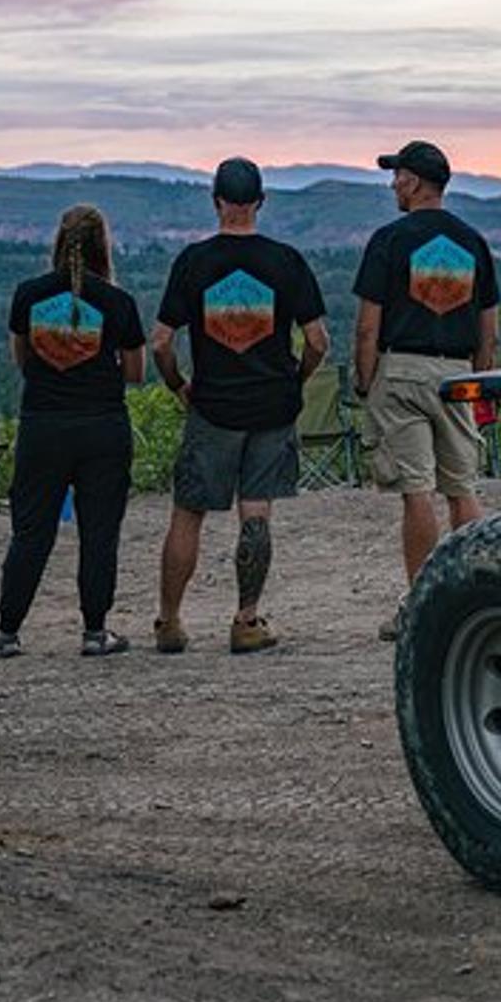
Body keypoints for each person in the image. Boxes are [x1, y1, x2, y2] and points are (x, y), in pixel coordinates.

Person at [152, 157, 329, 654]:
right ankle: (246, 621)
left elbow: (161, 342)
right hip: (272, 405)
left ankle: (170, 622)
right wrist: (295, 379)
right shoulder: (286, 261)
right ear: (261, 203)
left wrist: (178, 386)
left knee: (188, 513)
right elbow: (318, 340)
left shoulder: (193, 262)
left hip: (213, 405)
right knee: (256, 514)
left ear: (215, 202)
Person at [0, 204, 145, 660]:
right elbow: (135, 372)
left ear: (58, 243)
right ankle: (95, 632)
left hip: (43, 426)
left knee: (31, 532)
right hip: (103, 427)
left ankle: (6, 632)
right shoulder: (118, 303)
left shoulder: (28, 296)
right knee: (99, 533)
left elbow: (23, 360)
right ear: (102, 247)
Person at [352, 140, 499, 640]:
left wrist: (365, 379)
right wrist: (477, 378)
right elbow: (489, 327)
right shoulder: (473, 241)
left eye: (397, 176)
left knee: (417, 490)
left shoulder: (389, 240)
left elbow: (368, 326)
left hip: (402, 370)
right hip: (458, 373)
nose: (393, 184)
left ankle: (420, 605)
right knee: (462, 487)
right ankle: (477, 595)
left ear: (414, 181)